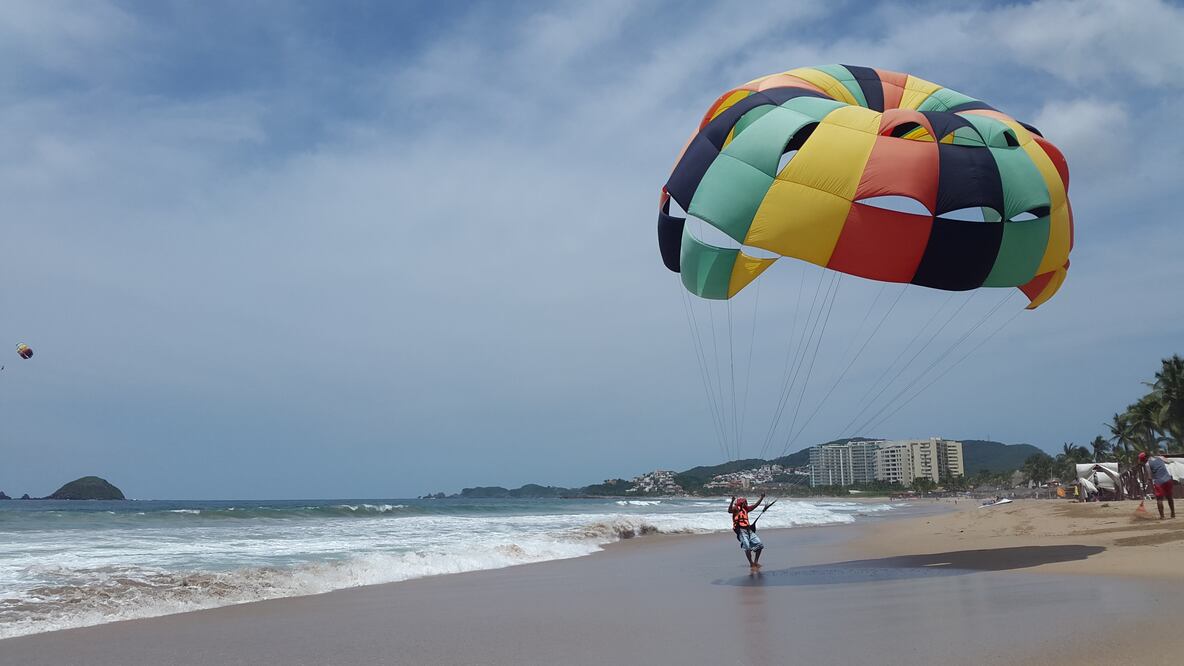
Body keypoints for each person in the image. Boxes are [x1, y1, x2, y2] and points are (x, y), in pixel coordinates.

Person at [728, 494, 765, 568]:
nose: (746, 503)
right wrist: (732, 501)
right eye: (744, 502)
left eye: (745, 502)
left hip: (749, 531)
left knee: (760, 545)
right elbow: (729, 510)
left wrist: (761, 497)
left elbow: (755, 505)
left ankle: (756, 562)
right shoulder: (736, 509)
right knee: (747, 547)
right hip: (741, 531)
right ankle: (751, 563)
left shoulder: (746, 509)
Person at [1139, 451, 1176, 519]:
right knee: (1169, 497)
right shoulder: (1159, 457)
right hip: (1168, 479)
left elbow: (1150, 477)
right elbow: (1169, 461)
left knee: (1159, 499)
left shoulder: (1147, 464)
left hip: (1159, 481)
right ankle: (1173, 514)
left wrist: (1152, 487)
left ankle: (1162, 516)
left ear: (1145, 458)